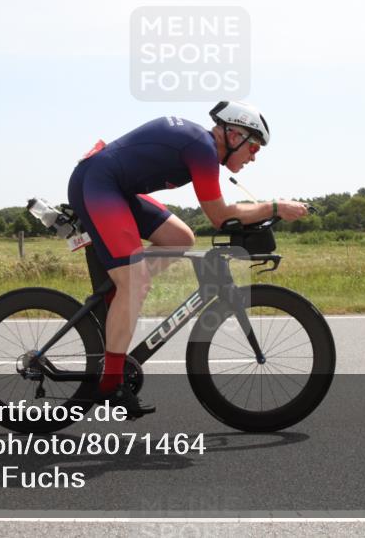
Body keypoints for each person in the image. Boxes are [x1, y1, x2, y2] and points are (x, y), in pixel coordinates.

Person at [67, 101, 309, 417]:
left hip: (114, 187)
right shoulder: (203, 148)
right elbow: (220, 216)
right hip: (98, 184)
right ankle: (110, 384)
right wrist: (274, 207)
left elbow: (220, 215)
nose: (253, 157)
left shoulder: (202, 146)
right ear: (233, 135)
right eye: (253, 147)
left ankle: (118, 290)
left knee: (181, 239)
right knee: (135, 282)